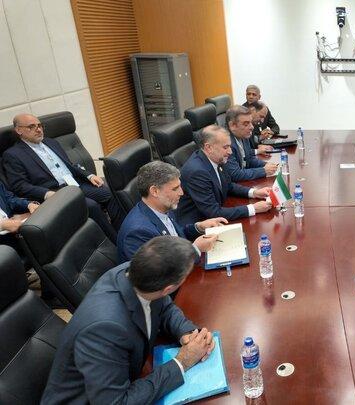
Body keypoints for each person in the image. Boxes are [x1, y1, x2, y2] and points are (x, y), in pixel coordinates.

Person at [41, 236, 215, 404]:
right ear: (169, 289)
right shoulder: (104, 331)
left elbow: (164, 306)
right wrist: (182, 362)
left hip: (126, 374)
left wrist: (186, 332)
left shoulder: (138, 272)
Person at [4, 113, 121, 242]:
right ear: (19, 130)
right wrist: (46, 193)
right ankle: (115, 242)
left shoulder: (51, 142)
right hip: (55, 193)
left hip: (74, 185)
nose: (38, 129)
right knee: (91, 206)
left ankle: (122, 233)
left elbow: (70, 165)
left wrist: (89, 175)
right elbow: (19, 186)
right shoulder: (13, 155)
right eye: (31, 127)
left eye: (40, 125)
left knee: (109, 194)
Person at [116, 161, 228, 262]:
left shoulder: (162, 206)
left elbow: (175, 236)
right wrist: (195, 249)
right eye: (175, 189)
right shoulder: (138, 232)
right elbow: (158, 271)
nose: (181, 193)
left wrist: (198, 227)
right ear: (155, 191)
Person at [176, 125, 272, 225]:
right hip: (198, 224)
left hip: (217, 211)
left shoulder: (217, 158)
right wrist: (253, 208)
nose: (230, 152)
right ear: (208, 148)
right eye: (225, 147)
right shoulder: (197, 172)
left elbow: (228, 185)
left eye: (229, 146)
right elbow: (213, 212)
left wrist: (254, 193)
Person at [225, 105, 278, 181]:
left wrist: (266, 165)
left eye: (251, 122)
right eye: (246, 124)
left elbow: (249, 158)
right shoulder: (225, 144)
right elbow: (235, 174)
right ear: (232, 125)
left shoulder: (243, 135)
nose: (252, 127)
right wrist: (263, 170)